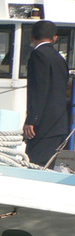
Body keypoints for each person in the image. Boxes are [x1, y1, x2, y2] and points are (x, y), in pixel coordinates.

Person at [23, 19, 71, 167]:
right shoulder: (59, 58)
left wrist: (32, 120)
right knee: (47, 166)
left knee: (35, 165)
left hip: (43, 125)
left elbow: (39, 90)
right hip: (58, 122)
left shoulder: (38, 55)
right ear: (54, 38)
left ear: (32, 37)